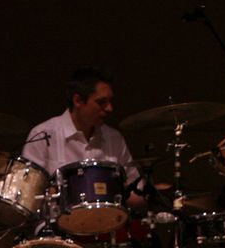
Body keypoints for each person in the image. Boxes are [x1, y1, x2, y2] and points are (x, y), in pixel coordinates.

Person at [21, 67, 143, 208]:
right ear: (78, 101)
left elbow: (136, 190)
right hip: (56, 225)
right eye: (101, 102)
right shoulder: (43, 135)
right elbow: (27, 194)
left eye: (110, 101)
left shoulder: (114, 138)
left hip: (108, 225)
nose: (110, 108)